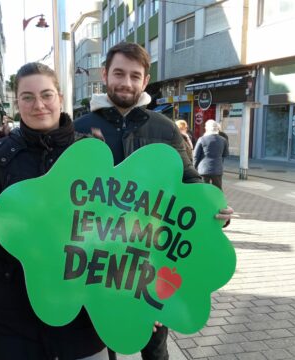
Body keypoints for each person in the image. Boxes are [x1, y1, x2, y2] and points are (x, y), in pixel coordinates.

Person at [74, 42, 233, 360]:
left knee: (154, 342)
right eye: (119, 73)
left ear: (145, 81)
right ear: (105, 75)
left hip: (151, 258)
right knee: (96, 339)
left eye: (135, 75)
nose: (126, 82)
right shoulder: (78, 129)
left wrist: (214, 210)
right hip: (96, 260)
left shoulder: (164, 129)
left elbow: (189, 181)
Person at [0, 62, 107, 360]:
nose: (38, 105)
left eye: (46, 94)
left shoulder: (91, 152)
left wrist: (138, 298)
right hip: (11, 307)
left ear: (60, 97)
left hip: (79, 307)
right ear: (17, 103)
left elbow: (120, 227)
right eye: (27, 97)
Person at [193, 119, 229, 190]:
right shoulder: (223, 140)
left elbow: (195, 156)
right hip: (217, 169)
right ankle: (217, 201)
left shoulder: (202, 139)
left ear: (207, 128)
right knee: (218, 190)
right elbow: (225, 154)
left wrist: (194, 168)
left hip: (203, 169)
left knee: (203, 190)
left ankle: (204, 201)